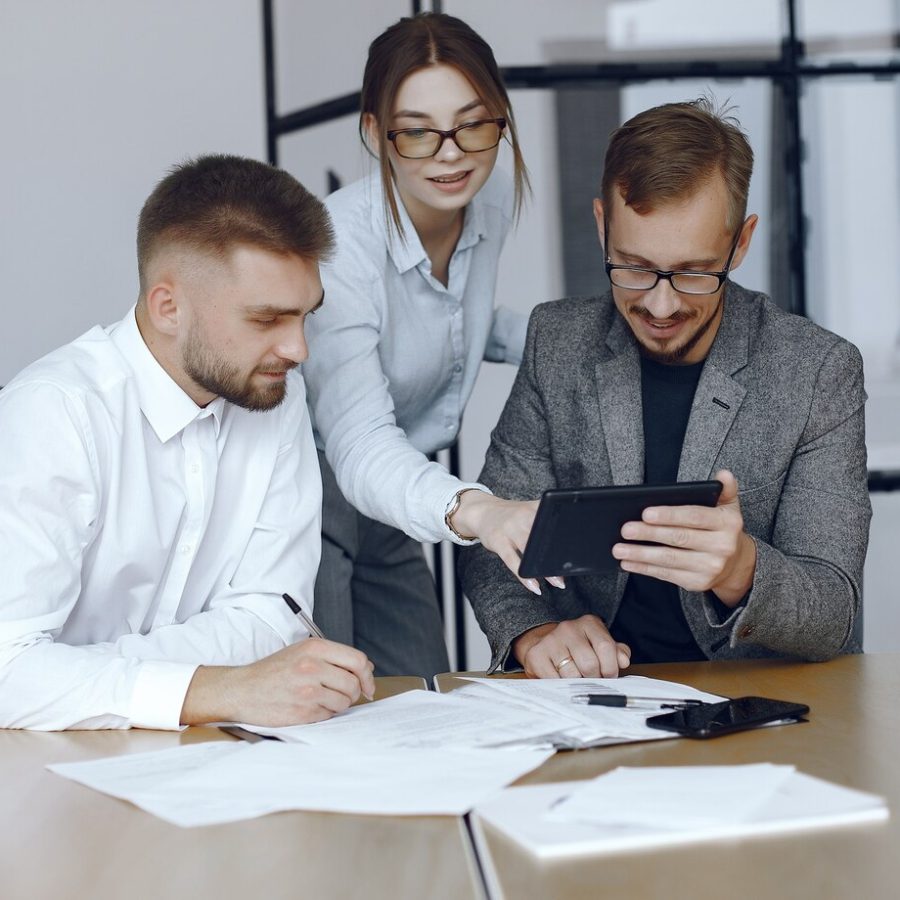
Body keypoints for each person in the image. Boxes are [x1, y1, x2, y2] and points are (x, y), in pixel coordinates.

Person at [459, 98, 871, 679]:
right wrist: (537, 632)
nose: (660, 303)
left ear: (741, 243)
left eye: (695, 272)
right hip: (594, 700)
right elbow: (493, 539)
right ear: (603, 226)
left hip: (762, 704)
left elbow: (833, 611)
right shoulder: (558, 342)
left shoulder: (816, 370)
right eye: (633, 266)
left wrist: (740, 569)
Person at [0, 154, 375, 730]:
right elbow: (8, 674)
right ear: (168, 307)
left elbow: (275, 614)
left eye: (305, 316)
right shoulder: (53, 413)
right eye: (267, 319)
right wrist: (219, 688)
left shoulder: (276, 396)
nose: (298, 349)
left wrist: (79, 677)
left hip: (192, 755)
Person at [303, 12, 552, 681]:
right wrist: (478, 509)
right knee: (330, 716)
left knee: (425, 694)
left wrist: (570, 340)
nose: (450, 152)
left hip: (398, 489)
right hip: (311, 495)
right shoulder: (339, 247)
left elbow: (455, 317)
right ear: (374, 134)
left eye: (473, 123)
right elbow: (355, 439)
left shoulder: (488, 192)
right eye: (416, 131)